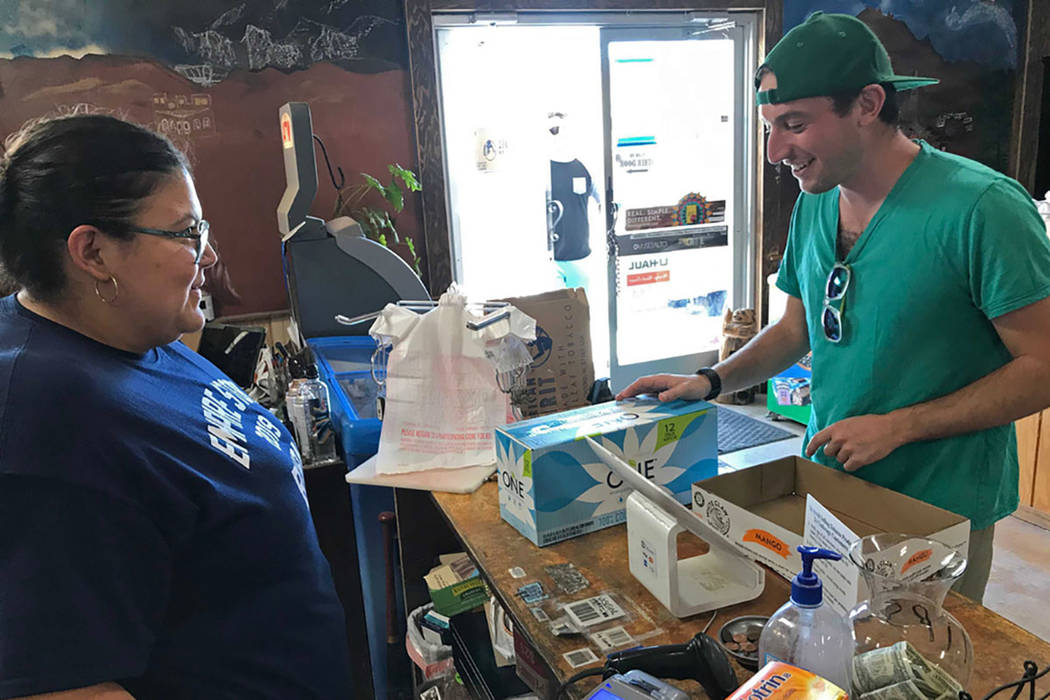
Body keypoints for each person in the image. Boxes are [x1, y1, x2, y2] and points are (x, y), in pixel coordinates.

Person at [618, 12, 1050, 603]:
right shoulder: (816, 203)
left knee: (912, 679)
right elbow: (798, 328)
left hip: (938, 514)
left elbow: (1043, 366)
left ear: (869, 104)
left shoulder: (984, 209)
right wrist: (712, 379)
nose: (774, 151)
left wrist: (899, 427)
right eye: (768, 126)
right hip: (827, 487)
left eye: (794, 124)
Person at [0, 114, 352, 698]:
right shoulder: (51, 430)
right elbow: (62, 685)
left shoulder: (129, 331)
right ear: (93, 252)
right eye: (187, 234)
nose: (209, 256)